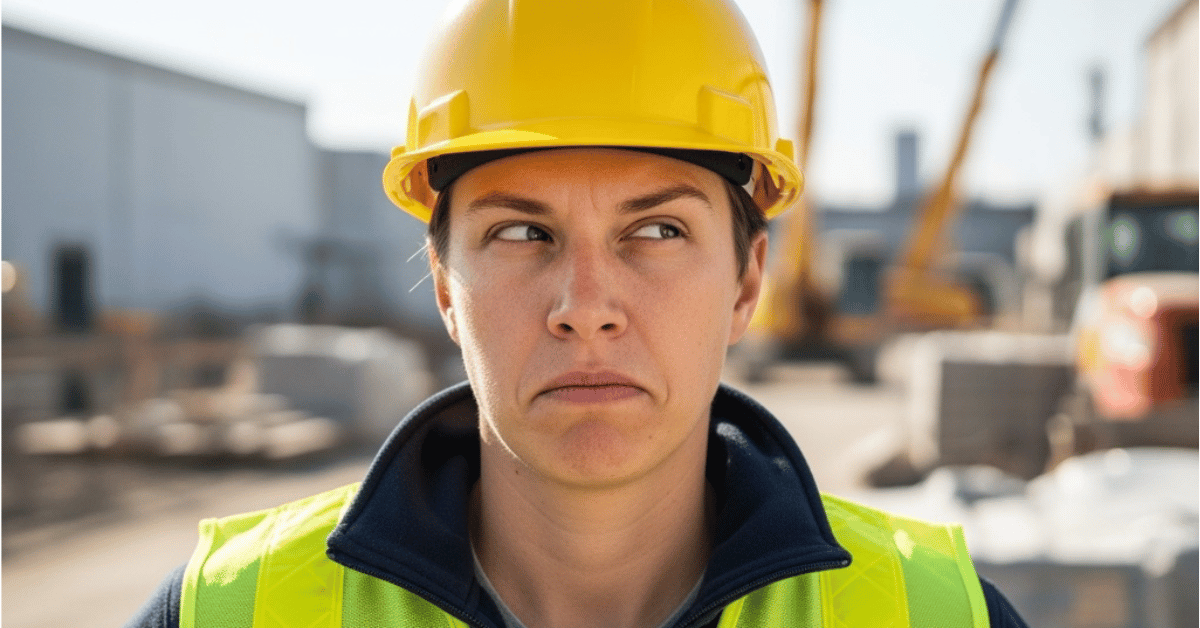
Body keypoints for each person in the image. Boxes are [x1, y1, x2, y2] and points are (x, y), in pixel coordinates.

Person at [128, 0, 1030, 626]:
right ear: (444, 286)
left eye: (658, 231)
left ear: (746, 282)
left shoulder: (938, 617)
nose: (586, 308)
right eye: (523, 233)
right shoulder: (226, 614)